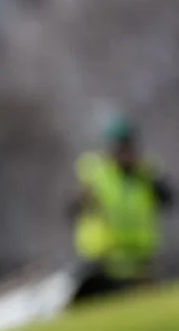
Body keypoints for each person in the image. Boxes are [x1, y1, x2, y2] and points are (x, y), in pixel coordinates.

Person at [70, 115, 172, 303]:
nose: (124, 153)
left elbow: (168, 199)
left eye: (127, 147)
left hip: (140, 263)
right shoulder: (97, 176)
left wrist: (155, 179)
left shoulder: (146, 175)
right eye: (119, 148)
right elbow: (73, 209)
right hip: (103, 264)